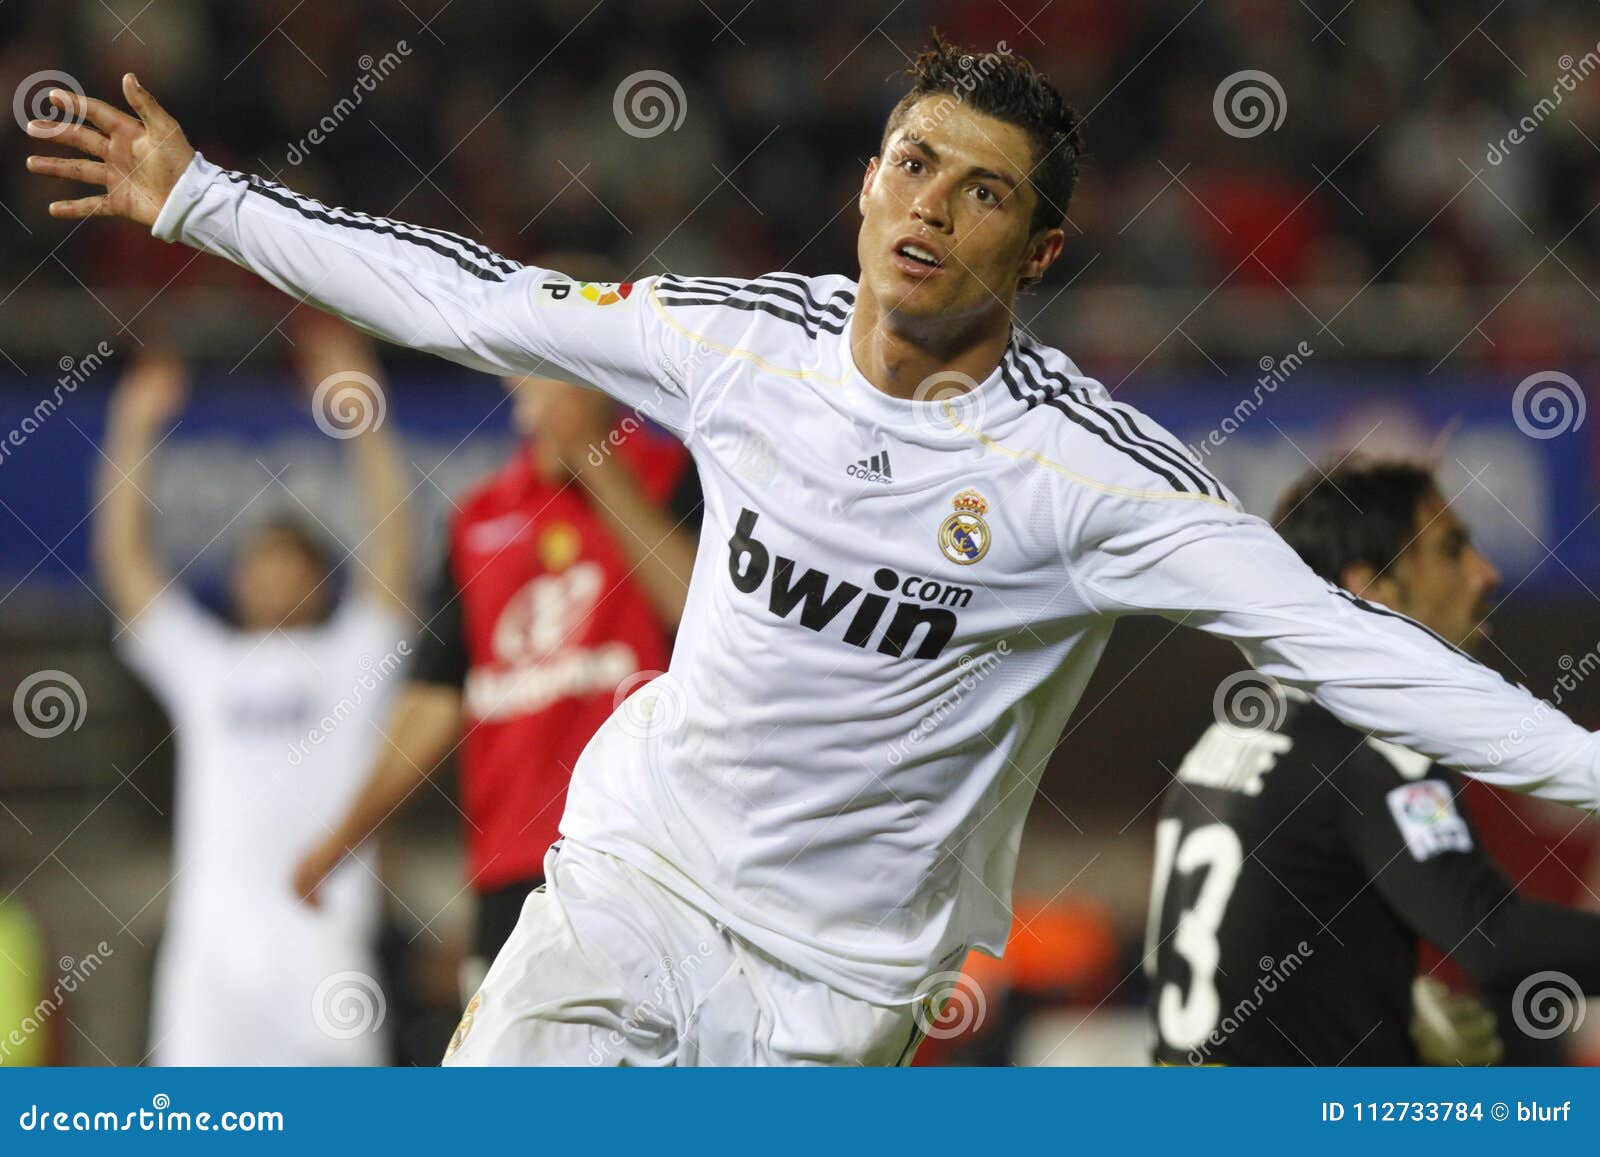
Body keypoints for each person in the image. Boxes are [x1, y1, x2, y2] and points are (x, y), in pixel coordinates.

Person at [26, 36, 1600, 1067]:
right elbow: (468, 294)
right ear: (866, 183)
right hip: (634, 884)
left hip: (838, 986)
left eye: (983, 195)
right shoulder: (737, 345)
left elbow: (1359, 649)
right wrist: (209, 202)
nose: (930, 209)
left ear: (1038, 250)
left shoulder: (1089, 480)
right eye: (913, 165)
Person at [1146, 460, 1600, 1066]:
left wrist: (1382, 1002)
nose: (1485, 573)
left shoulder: (1232, 732)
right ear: (1371, 591)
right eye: (1452, 549)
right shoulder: (1375, 736)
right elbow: (1496, 941)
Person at [291, 367, 700, 1001]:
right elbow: (435, 699)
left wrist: (597, 466)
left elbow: (697, 612)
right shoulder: (476, 517)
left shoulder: (679, 475)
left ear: (608, 374)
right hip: (509, 869)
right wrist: (346, 834)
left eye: (566, 365)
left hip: (647, 860)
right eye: (529, 363)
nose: (538, 385)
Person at [96, 329, 412, 1064]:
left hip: (323, 955)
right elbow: (126, 566)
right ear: (237, 585)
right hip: (211, 962)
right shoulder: (209, 667)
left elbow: (395, 554)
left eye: (287, 562)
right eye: (255, 564)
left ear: (321, 581)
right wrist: (132, 423)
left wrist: (365, 414)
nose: (268, 576)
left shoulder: (349, 661)